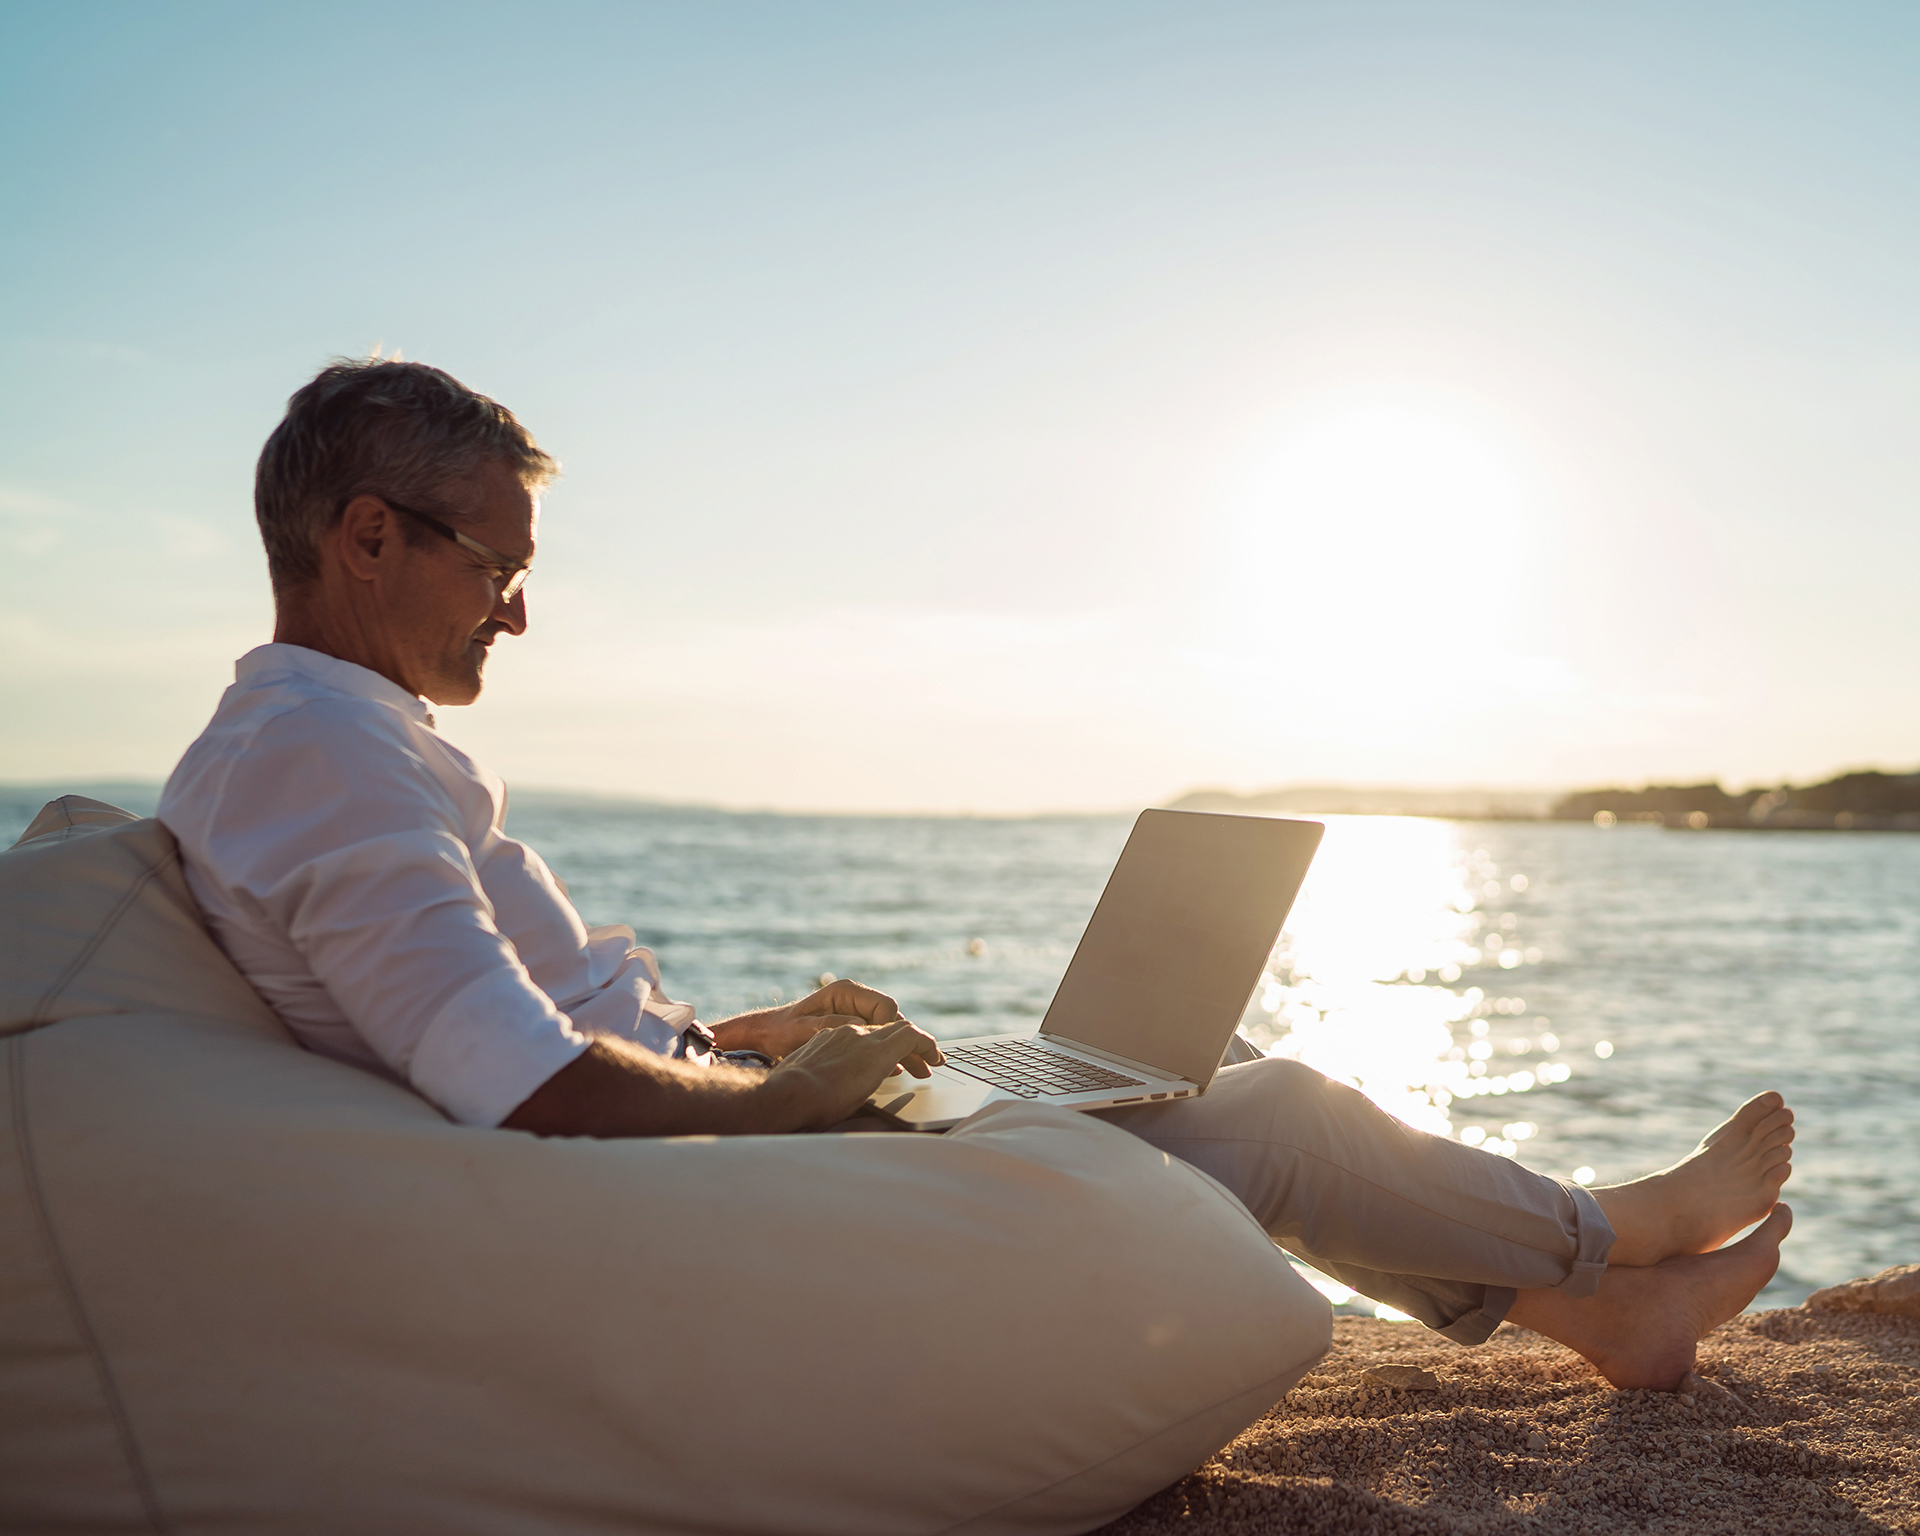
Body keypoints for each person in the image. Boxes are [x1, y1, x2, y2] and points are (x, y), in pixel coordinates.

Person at [159, 358, 1796, 1394]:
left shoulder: (321, 743)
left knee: (1180, 1077)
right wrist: (784, 1101)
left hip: (712, 1137)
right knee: (1271, 1113)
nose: (515, 612)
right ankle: (1618, 1240)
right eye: (495, 566)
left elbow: (503, 1025)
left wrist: (750, 1036)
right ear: (366, 537)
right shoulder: (327, 757)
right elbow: (518, 1085)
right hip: (717, 1196)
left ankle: (1600, 1315)